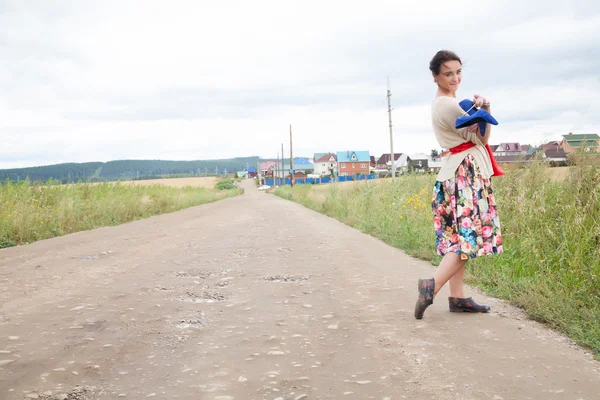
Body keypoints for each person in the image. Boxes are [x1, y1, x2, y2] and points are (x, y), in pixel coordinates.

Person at [414, 50, 504, 319]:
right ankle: (432, 285)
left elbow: (477, 134)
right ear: (435, 76)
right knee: (467, 237)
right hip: (465, 173)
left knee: (458, 235)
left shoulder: (444, 102)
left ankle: (458, 297)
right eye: (448, 73)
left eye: (458, 72)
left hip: (453, 171)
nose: (455, 78)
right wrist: (485, 109)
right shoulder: (448, 105)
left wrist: (480, 110)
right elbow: (481, 139)